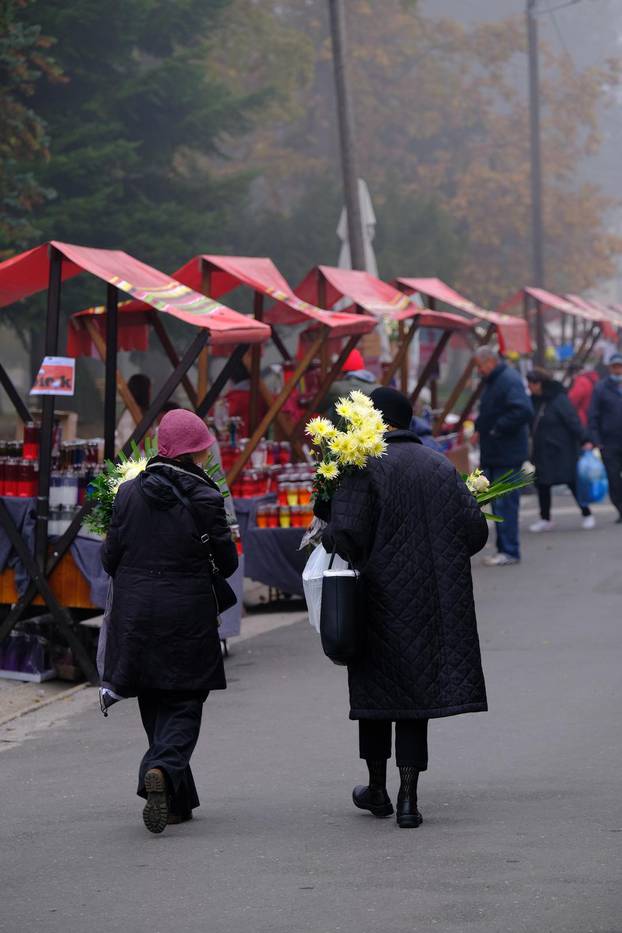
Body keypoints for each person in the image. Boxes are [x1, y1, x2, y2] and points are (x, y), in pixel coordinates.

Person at [315, 387, 489, 829]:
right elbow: (475, 533)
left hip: (374, 600)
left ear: (375, 420)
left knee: (376, 695)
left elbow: (346, 536)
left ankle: (377, 789)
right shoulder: (440, 466)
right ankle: (409, 800)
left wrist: (329, 518)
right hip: (429, 602)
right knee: (415, 699)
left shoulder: (364, 466)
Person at [101, 409, 238, 833]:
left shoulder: (126, 492)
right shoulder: (207, 498)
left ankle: (177, 804)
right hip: (186, 612)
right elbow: (228, 564)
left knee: (154, 697)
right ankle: (159, 767)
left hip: (135, 612)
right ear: (196, 451)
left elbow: (109, 558)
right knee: (185, 700)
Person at [473, 347, 533, 566]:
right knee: (500, 503)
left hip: (506, 452)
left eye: (480, 365)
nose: (479, 370)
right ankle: (504, 549)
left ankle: (509, 550)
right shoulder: (497, 380)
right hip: (497, 452)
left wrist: (496, 429)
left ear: (490, 361)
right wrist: (482, 428)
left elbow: (523, 410)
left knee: (505, 504)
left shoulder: (507, 380)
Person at [526, 369, 594, 532]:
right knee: (543, 484)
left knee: (572, 483)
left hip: (562, 449)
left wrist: (585, 439)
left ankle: (587, 513)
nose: (531, 386)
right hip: (542, 450)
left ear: (541, 383)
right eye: (529, 383)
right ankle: (545, 518)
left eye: (533, 383)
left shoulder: (559, 398)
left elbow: (573, 421)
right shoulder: (532, 401)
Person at [588, 351, 622, 523]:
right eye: (615, 367)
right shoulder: (601, 388)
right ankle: (620, 509)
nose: (618, 370)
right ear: (610, 368)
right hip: (609, 442)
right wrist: (597, 440)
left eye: (620, 366)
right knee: (614, 479)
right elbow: (593, 415)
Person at [322, 349, 380, 423]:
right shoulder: (378, 388)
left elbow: (318, 408)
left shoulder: (335, 387)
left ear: (341, 369)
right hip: (370, 432)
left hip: (342, 433)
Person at [115, 373, 151, 450]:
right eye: (149, 390)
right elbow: (129, 450)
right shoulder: (129, 418)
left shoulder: (140, 414)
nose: (150, 394)